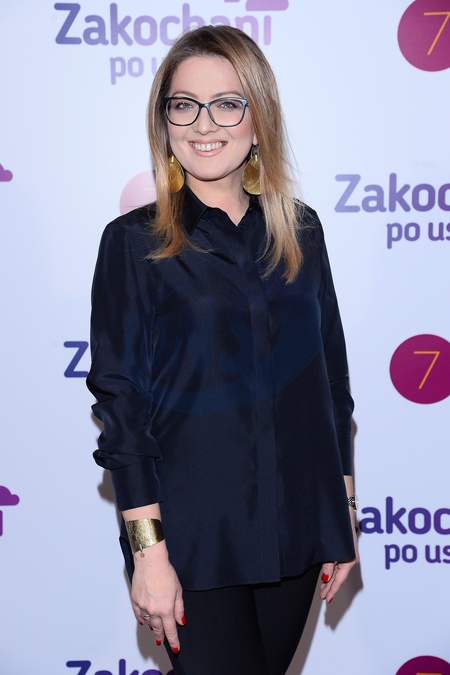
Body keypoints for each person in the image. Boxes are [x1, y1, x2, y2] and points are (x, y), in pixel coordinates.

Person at [87, 24, 359, 675]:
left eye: (227, 103)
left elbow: (332, 385)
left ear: (258, 119)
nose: (204, 123)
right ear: (165, 122)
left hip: (297, 530)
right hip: (191, 541)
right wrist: (149, 552)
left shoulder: (302, 231)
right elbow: (122, 410)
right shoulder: (133, 243)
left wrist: (342, 514)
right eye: (184, 104)